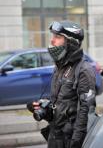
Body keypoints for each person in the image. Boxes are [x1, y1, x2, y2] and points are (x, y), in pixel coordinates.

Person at [37, 20, 95, 148]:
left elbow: (87, 109)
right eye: (53, 36)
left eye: (57, 37)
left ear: (71, 42)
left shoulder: (84, 69)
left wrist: (76, 141)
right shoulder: (59, 67)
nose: (52, 41)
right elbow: (60, 103)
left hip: (70, 139)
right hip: (55, 136)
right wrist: (44, 109)